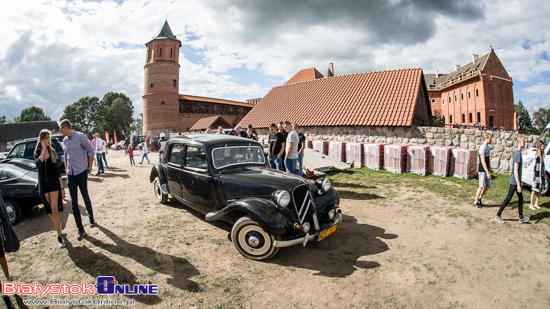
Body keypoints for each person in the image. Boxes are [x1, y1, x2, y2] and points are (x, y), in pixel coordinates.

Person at [60, 119, 96, 240]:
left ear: (65, 127)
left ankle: (91, 218)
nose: (60, 131)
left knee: (85, 196)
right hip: (71, 174)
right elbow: (66, 156)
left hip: (81, 172)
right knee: (74, 202)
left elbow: (91, 151)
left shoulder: (80, 136)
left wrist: (89, 168)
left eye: (61, 129)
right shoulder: (64, 141)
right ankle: (80, 228)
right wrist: (66, 169)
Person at [34, 129, 66, 248]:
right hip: (43, 185)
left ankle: (59, 236)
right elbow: (38, 164)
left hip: (53, 184)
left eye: (49, 138)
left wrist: (61, 187)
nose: (48, 140)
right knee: (48, 211)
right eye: (46, 138)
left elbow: (57, 172)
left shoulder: (52, 152)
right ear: (42, 140)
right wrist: (43, 151)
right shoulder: (37, 153)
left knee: (54, 210)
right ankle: (58, 225)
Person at [495, 135, 529, 223]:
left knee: (520, 199)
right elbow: (516, 170)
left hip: (516, 181)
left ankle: (521, 217)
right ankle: (498, 215)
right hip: (514, 182)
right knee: (508, 198)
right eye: (523, 141)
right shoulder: (517, 154)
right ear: (519, 142)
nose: (524, 143)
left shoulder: (518, 153)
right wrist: (518, 184)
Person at [474, 133, 492, 208]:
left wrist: (490, 168)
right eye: (490, 138)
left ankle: (480, 198)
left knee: (488, 185)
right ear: (486, 138)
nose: (491, 140)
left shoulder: (488, 147)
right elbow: (483, 161)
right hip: (482, 170)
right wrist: (487, 172)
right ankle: (475, 202)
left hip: (487, 169)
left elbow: (488, 160)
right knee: (481, 186)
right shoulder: (482, 148)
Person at [530, 141, 546, 210]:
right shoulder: (537, 155)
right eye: (542, 146)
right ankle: (531, 204)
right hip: (537, 175)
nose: (543, 147)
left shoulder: (542, 155)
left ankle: (536, 203)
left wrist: (544, 175)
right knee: (534, 190)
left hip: (541, 175)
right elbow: (536, 167)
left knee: (540, 189)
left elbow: (542, 167)